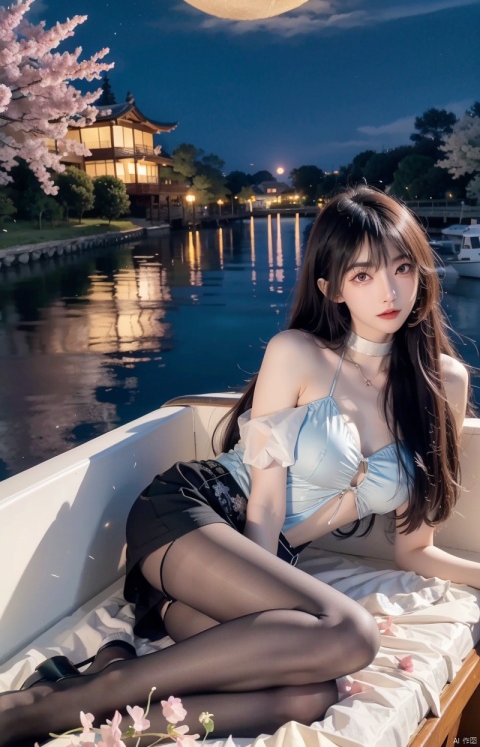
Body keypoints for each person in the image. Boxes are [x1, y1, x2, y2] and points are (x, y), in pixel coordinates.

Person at [2, 185, 478, 747]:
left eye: (402, 267)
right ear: (330, 288)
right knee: (351, 635)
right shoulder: (297, 352)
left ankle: (107, 684)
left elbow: (413, 549)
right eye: (362, 275)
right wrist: (271, 588)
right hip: (190, 517)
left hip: (244, 567)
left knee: (313, 694)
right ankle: (42, 707)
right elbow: (267, 504)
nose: (390, 291)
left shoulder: (443, 382)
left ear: (422, 272)